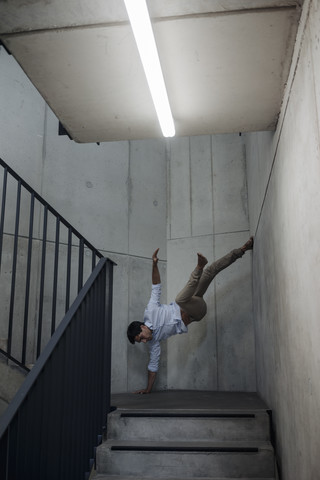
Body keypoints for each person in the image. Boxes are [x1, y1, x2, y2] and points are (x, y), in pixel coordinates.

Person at [127, 237, 254, 394]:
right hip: (196, 312)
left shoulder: (150, 311)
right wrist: (147, 389)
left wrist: (154, 264)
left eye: (142, 337)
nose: (145, 341)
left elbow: (156, 286)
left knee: (211, 271)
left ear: (142, 326)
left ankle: (242, 250)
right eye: (142, 342)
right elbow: (153, 366)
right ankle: (198, 268)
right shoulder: (154, 343)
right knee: (180, 299)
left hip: (191, 300)